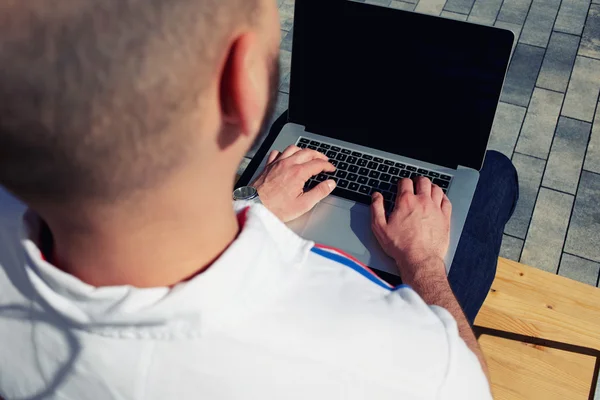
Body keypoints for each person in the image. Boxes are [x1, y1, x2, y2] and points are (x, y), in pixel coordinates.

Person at [0, 0, 518, 399]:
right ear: (241, 89)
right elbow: (469, 381)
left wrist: (251, 203)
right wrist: (423, 261)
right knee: (495, 175)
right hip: (417, 290)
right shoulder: (407, 362)